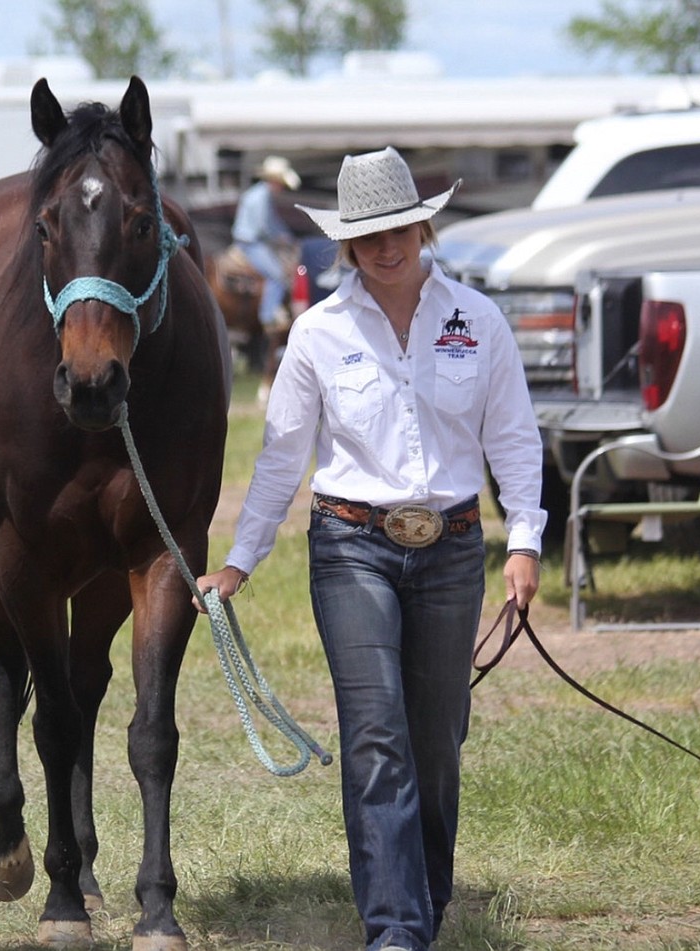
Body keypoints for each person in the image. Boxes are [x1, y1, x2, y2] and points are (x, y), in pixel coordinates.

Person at [195, 146, 546, 951]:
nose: (387, 246)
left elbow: (514, 438)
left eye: (400, 229)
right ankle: (395, 928)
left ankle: (423, 893)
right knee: (377, 729)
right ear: (347, 244)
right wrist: (242, 558)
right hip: (352, 544)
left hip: (455, 545)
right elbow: (283, 452)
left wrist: (523, 537)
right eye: (369, 235)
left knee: (436, 736)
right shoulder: (318, 334)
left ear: (424, 226)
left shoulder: (477, 320)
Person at [231, 154, 301, 331]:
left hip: (250, 240)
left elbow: (272, 222)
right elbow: (264, 226)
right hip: (250, 244)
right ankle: (268, 316)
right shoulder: (260, 197)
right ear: (275, 181)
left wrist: (285, 235)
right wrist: (281, 238)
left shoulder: (261, 194)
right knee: (277, 275)